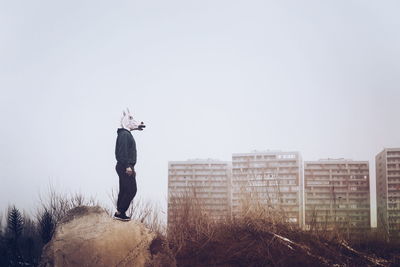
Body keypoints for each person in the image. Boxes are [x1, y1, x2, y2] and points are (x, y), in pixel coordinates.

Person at [114, 109, 145, 221]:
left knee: (124, 189)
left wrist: (138, 127)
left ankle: (119, 212)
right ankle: (120, 212)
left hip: (124, 165)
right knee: (132, 190)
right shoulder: (125, 135)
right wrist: (127, 166)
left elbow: (132, 125)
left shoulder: (125, 134)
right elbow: (123, 152)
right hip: (124, 165)